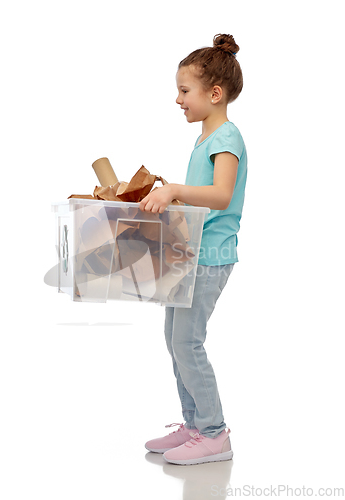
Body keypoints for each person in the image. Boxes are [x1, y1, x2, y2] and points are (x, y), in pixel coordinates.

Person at [138, 34, 247, 466]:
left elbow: (221, 195)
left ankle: (215, 434)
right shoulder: (206, 138)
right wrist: (170, 198)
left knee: (188, 342)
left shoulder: (227, 137)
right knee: (175, 340)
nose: (178, 99)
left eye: (185, 91)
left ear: (214, 94)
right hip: (191, 253)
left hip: (211, 256)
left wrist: (178, 191)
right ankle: (195, 425)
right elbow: (202, 198)